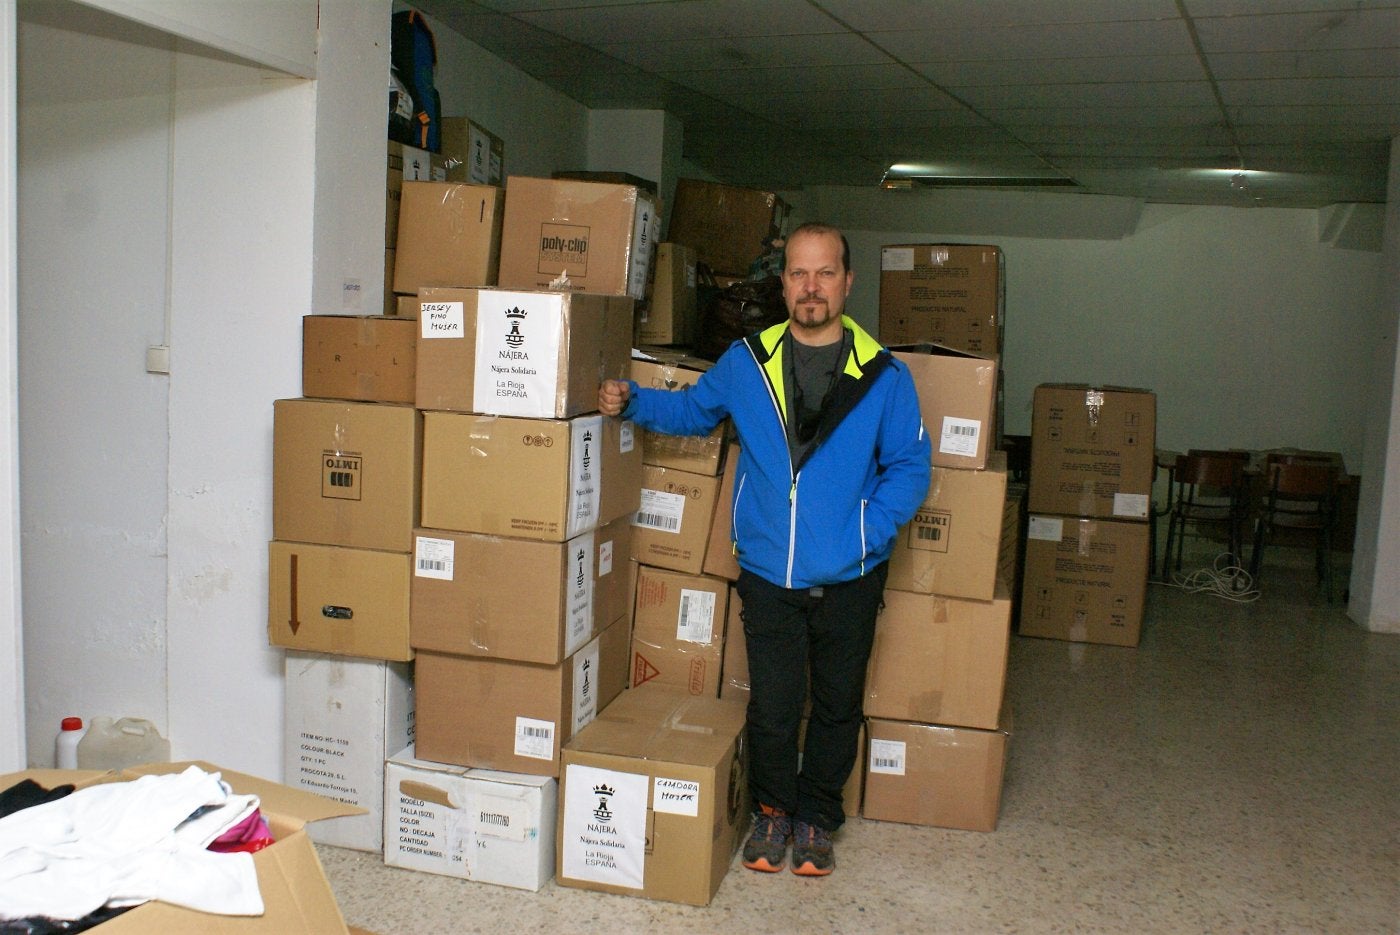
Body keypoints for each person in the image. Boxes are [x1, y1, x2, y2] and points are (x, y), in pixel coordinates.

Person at [598, 222, 930, 877]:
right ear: (783, 284)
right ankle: (774, 810)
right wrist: (632, 400)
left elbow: (911, 465)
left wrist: (871, 528)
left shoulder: (884, 374)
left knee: (837, 704)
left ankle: (817, 816)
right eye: (799, 274)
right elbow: (694, 413)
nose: (811, 287)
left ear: (847, 281)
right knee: (775, 705)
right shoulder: (748, 363)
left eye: (825, 273)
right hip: (769, 569)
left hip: (852, 574)